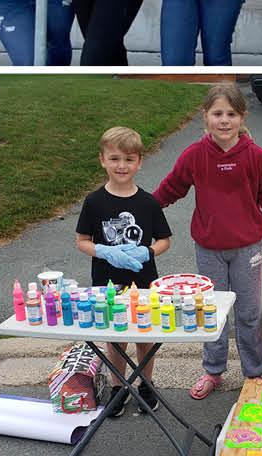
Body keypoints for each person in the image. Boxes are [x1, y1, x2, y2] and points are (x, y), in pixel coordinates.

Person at [152, 84, 262, 401]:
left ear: (242, 117)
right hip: (209, 249)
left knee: (249, 313)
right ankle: (213, 369)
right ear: (205, 116)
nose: (224, 121)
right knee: (211, 312)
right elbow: (168, 191)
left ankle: (255, 374)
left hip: (247, 249)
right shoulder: (195, 155)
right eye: (217, 113)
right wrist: (135, 210)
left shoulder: (256, 157)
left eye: (231, 114)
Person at [74, 126, 171, 416]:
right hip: (107, 282)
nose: (121, 166)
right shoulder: (94, 202)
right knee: (115, 336)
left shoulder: (148, 201)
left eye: (129, 159)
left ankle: (146, 384)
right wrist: (104, 250)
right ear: (102, 159)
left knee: (144, 333)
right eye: (115, 159)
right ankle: (119, 387)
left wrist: (148, 251)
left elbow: (165, 239)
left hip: (142, 280)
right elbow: (82, 242)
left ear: (139, 162)